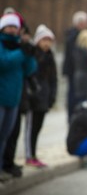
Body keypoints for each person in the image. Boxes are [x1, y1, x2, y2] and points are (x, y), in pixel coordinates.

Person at [0, 13, 37, 182]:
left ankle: (2, 168)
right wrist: (22, 52)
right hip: (1, 98)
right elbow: (4, 62)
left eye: (15, 27)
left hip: (13, 100)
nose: (12, 30)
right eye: (9, 26)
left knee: (5, 136)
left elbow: (29, 69)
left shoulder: (18, 45)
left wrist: (29, 54)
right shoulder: (3, 44)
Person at [24, 24, 57, 168]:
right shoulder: (33, 55)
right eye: (44, 40)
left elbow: (53, 79)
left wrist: (52, 96)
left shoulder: (51, 56)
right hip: (33, 98)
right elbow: (31, 75)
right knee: (30, 129)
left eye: (49, 40)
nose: (47, 43)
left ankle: (34, 155)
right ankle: (29, 156)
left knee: (37, 129)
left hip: (44, 97)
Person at [62, 11, 87, 121]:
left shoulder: (78, 35)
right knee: (74, 95)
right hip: (74, 70)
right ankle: (72, 116)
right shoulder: (73, 36)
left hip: (78, 71)